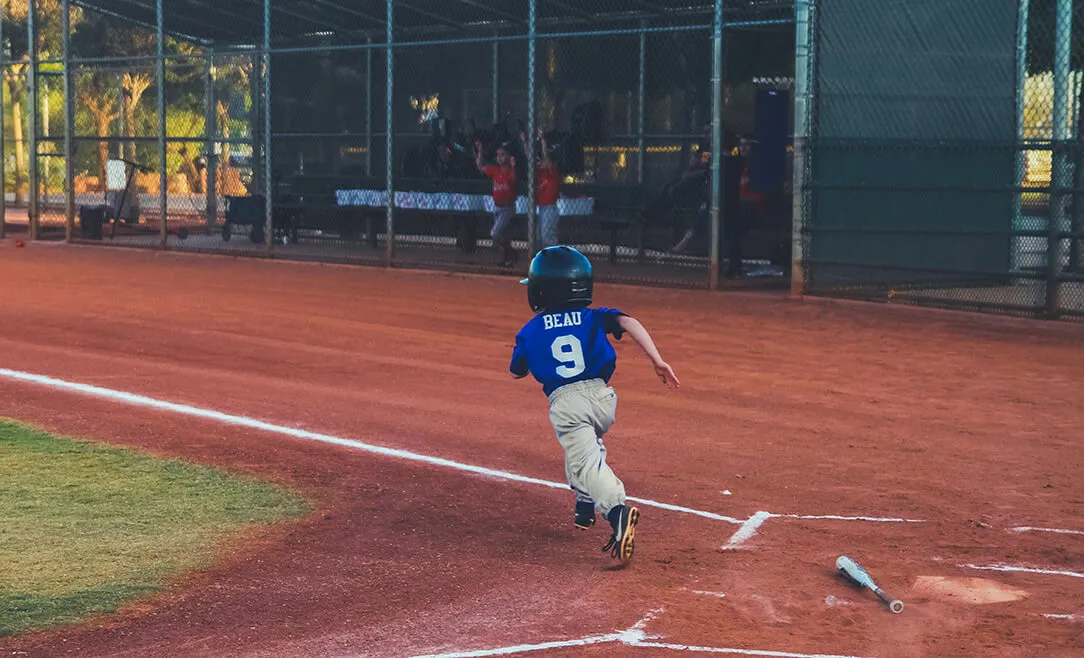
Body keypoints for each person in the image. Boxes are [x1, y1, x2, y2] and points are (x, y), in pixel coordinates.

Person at [509, 246, 681, 563]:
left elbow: (517, 370)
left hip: (567, 403)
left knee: (586, 462)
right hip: (603, 399)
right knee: (587, 450)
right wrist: (657, 360)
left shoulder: (530, 330)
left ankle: (617, 512)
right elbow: (630, 323)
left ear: (541, 290)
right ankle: (585, 504)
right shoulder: (594, 315)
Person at [475, 140, 519, 266]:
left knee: (495, 233)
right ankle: (506, 258)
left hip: (508, 208)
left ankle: (512, 253)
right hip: (497, 207)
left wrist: (513, 165)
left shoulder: (510, 171)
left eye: (503, 155)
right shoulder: (495, 170)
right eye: (498, 155)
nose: (500, 158)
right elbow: (480, 166)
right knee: (503, 235)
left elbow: (514, 180)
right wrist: (480, 151)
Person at [521, 128, 562, 250]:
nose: (542, 163)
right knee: (538, 239)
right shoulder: (539, 171)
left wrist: (543, 140)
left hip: (550, 207)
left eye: (543, 161)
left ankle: (555, 261)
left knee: (547, 237)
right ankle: (543, 262)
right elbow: (529, 157)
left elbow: (546, 158)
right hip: (540, 208)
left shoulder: (552, 171)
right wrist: (524, 142)